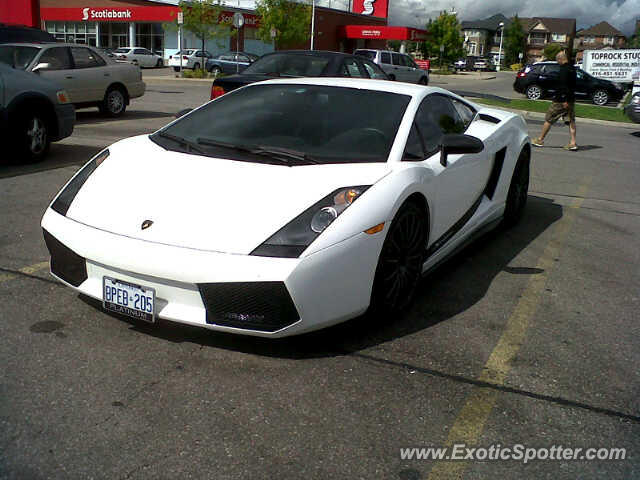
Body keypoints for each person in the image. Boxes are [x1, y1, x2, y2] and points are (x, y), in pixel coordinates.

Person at [532, 52, 578, 151]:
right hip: (571, 100)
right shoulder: (572, 68)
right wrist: (569, 99)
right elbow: (573, 85)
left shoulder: (563, 70)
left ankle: (540, 140)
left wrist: (564, 99)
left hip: (561, 100)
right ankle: (573, 143)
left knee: (549, 119)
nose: (558, 63)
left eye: (558, 61)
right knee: (570, 120)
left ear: (560, 59)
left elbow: (564, 86)